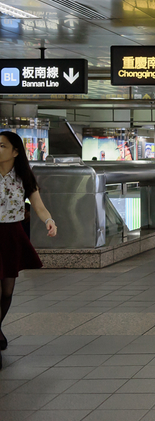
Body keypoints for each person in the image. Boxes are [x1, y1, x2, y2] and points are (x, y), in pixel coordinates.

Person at [0, 132, 57, 369]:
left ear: (15, 152)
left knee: (7, 290)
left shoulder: (24, 177)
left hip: (11, 235)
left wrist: (49, 221)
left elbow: (39, 206)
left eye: (2, 146)